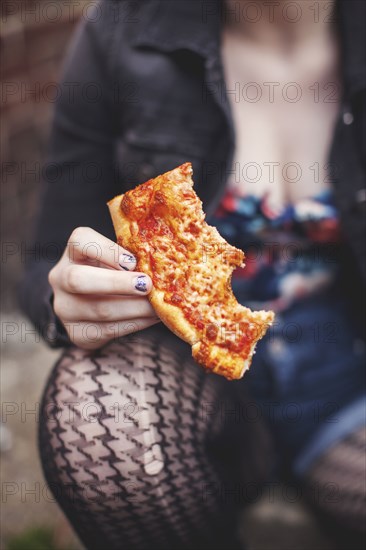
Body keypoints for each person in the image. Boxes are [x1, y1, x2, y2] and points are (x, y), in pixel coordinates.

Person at [19, 1, 365, 548]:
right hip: (189, 381)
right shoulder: (122, 30)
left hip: (348, 384)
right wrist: (65, 297)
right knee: (96, 409)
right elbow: (43, 262)